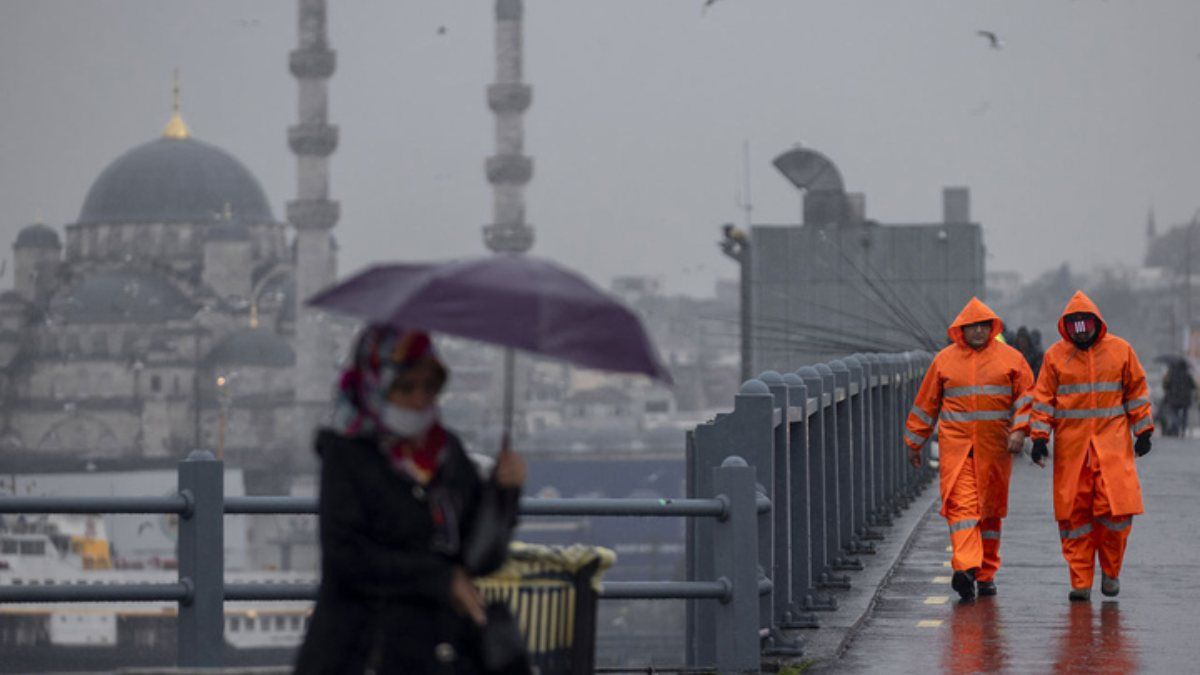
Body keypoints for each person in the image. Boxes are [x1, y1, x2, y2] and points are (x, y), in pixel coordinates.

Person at [295, 325, 527, 673]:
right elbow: (348, 557)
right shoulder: (348, 456)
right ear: (376, 386)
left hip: (433, 650)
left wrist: (503, 493)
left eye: (429, 387)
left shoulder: (447, 454)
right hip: (363, 649)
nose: (420, 399)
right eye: (406, 388)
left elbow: (479, 556)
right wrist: (438, 579)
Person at [904, 297, 1035, 601]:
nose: (978, 331)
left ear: (992, 328)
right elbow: (926, 405)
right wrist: (914, 441)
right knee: (962, 509)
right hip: (958, 450)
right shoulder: (944, 361)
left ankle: (986, 574)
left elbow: (1028, 399)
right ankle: (966, 567)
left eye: (983, 326)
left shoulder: (1012, 360)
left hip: (995, 450)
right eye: (972, 326)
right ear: (961, 329)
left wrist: (1020, 431)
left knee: (990, 515)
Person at [1029, 291, 1153, 602]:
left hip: (1112, 449)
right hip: (1073, 453)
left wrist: (1143, 430)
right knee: (1075, 518)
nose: (1081, 332)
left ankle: (1111, 572)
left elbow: (1136, 391)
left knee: (1116, 514)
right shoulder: (1055, 357)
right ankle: (1080, 581)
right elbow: (1043, 400)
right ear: (1066, 327)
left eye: (1085, 325)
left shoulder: (1121, 351)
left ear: (1097, 323)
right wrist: (1039, 437)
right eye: (1075, 326)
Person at [1161, 358, 1195, 437]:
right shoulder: (1188, 375)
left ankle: (1176, 425)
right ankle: (1183, 429)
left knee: (1174, 413)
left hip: (1174, 398)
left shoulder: (1172, 374)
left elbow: (1166, 386)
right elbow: (1193, 386)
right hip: (1186, 399)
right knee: (1185, 414)